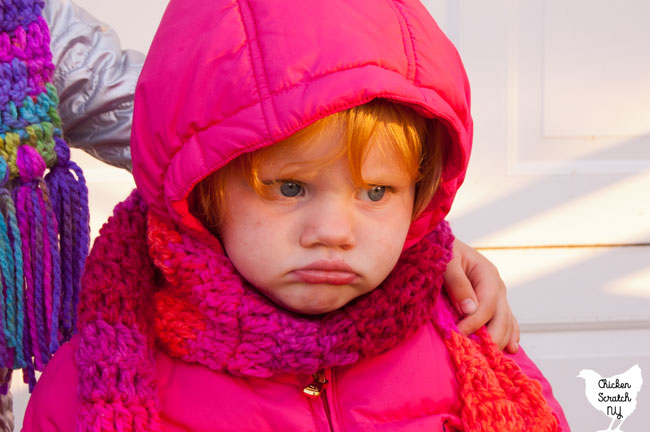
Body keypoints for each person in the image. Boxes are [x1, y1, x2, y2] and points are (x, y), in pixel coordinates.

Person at [20, 0, 566, 430]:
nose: (333, 232)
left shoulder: (477, 357)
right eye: (288, 187)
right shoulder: (92, 386)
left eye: (377, 193)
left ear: (420, 198)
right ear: (203, 194)